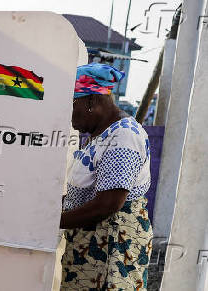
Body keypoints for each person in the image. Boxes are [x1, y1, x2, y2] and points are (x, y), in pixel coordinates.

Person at [60, 63, 153, 290]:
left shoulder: (123, 137)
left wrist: (52, 221)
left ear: (92, 101)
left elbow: (108, 204)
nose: (67, 113)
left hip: (110, 247)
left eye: (71, 104)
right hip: (91, 247)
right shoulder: (100, 134)